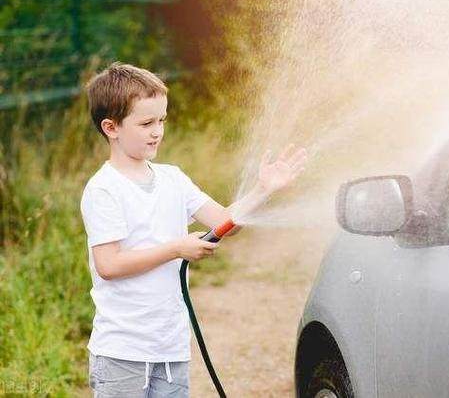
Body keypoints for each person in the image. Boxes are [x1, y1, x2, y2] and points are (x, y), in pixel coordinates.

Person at [80, 62, 307, 397]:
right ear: (111, 127)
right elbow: (109, 265)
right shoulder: (104, 190)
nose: (157, 131)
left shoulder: (173, 178)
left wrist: (263, 190)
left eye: (161, 120)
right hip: (122, 354)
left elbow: (225, 224)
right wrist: (175, 248)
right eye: (146, 123)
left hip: (170, 349)